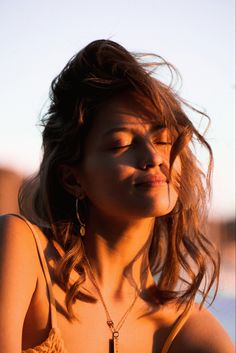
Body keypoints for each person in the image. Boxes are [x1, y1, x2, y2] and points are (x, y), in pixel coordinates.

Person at [0, 39, 234, 353]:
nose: (153, 157)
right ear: (73, 178)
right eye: (120, 144)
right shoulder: (25, 255)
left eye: (163, 140)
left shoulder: (191, 334)